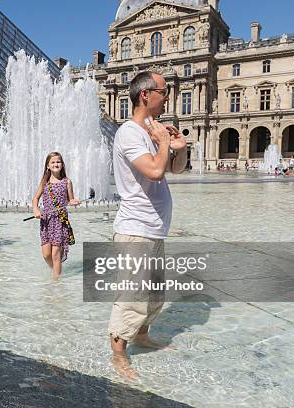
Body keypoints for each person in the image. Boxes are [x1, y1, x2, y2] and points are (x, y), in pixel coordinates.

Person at [109, 71, 187, 381]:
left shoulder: (152, 131)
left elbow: (175, 170)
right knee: (132, 296)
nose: (167, 97)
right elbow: (155, 171)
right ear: (146, 95)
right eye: (163, 91)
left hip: (153, 228)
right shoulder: (129, 133)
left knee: (155, 295)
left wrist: (178, 146)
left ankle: (141, 336)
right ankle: (118, 354)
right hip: (136, 228)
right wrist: (164, 143)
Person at [31, 152, 81, 278]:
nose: (56, 164)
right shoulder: (45, 182)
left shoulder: (67, 182)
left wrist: (74, 201)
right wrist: (36, 210)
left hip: (60, 221)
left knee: (55, 254)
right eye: (53, 162)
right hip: (46, 221)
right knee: (46, 255)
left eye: (58, 162)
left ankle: (56, 284)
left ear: (62, 165)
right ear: (48, 166)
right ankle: (56, 270)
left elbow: (71, 200)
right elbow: (35, 199)